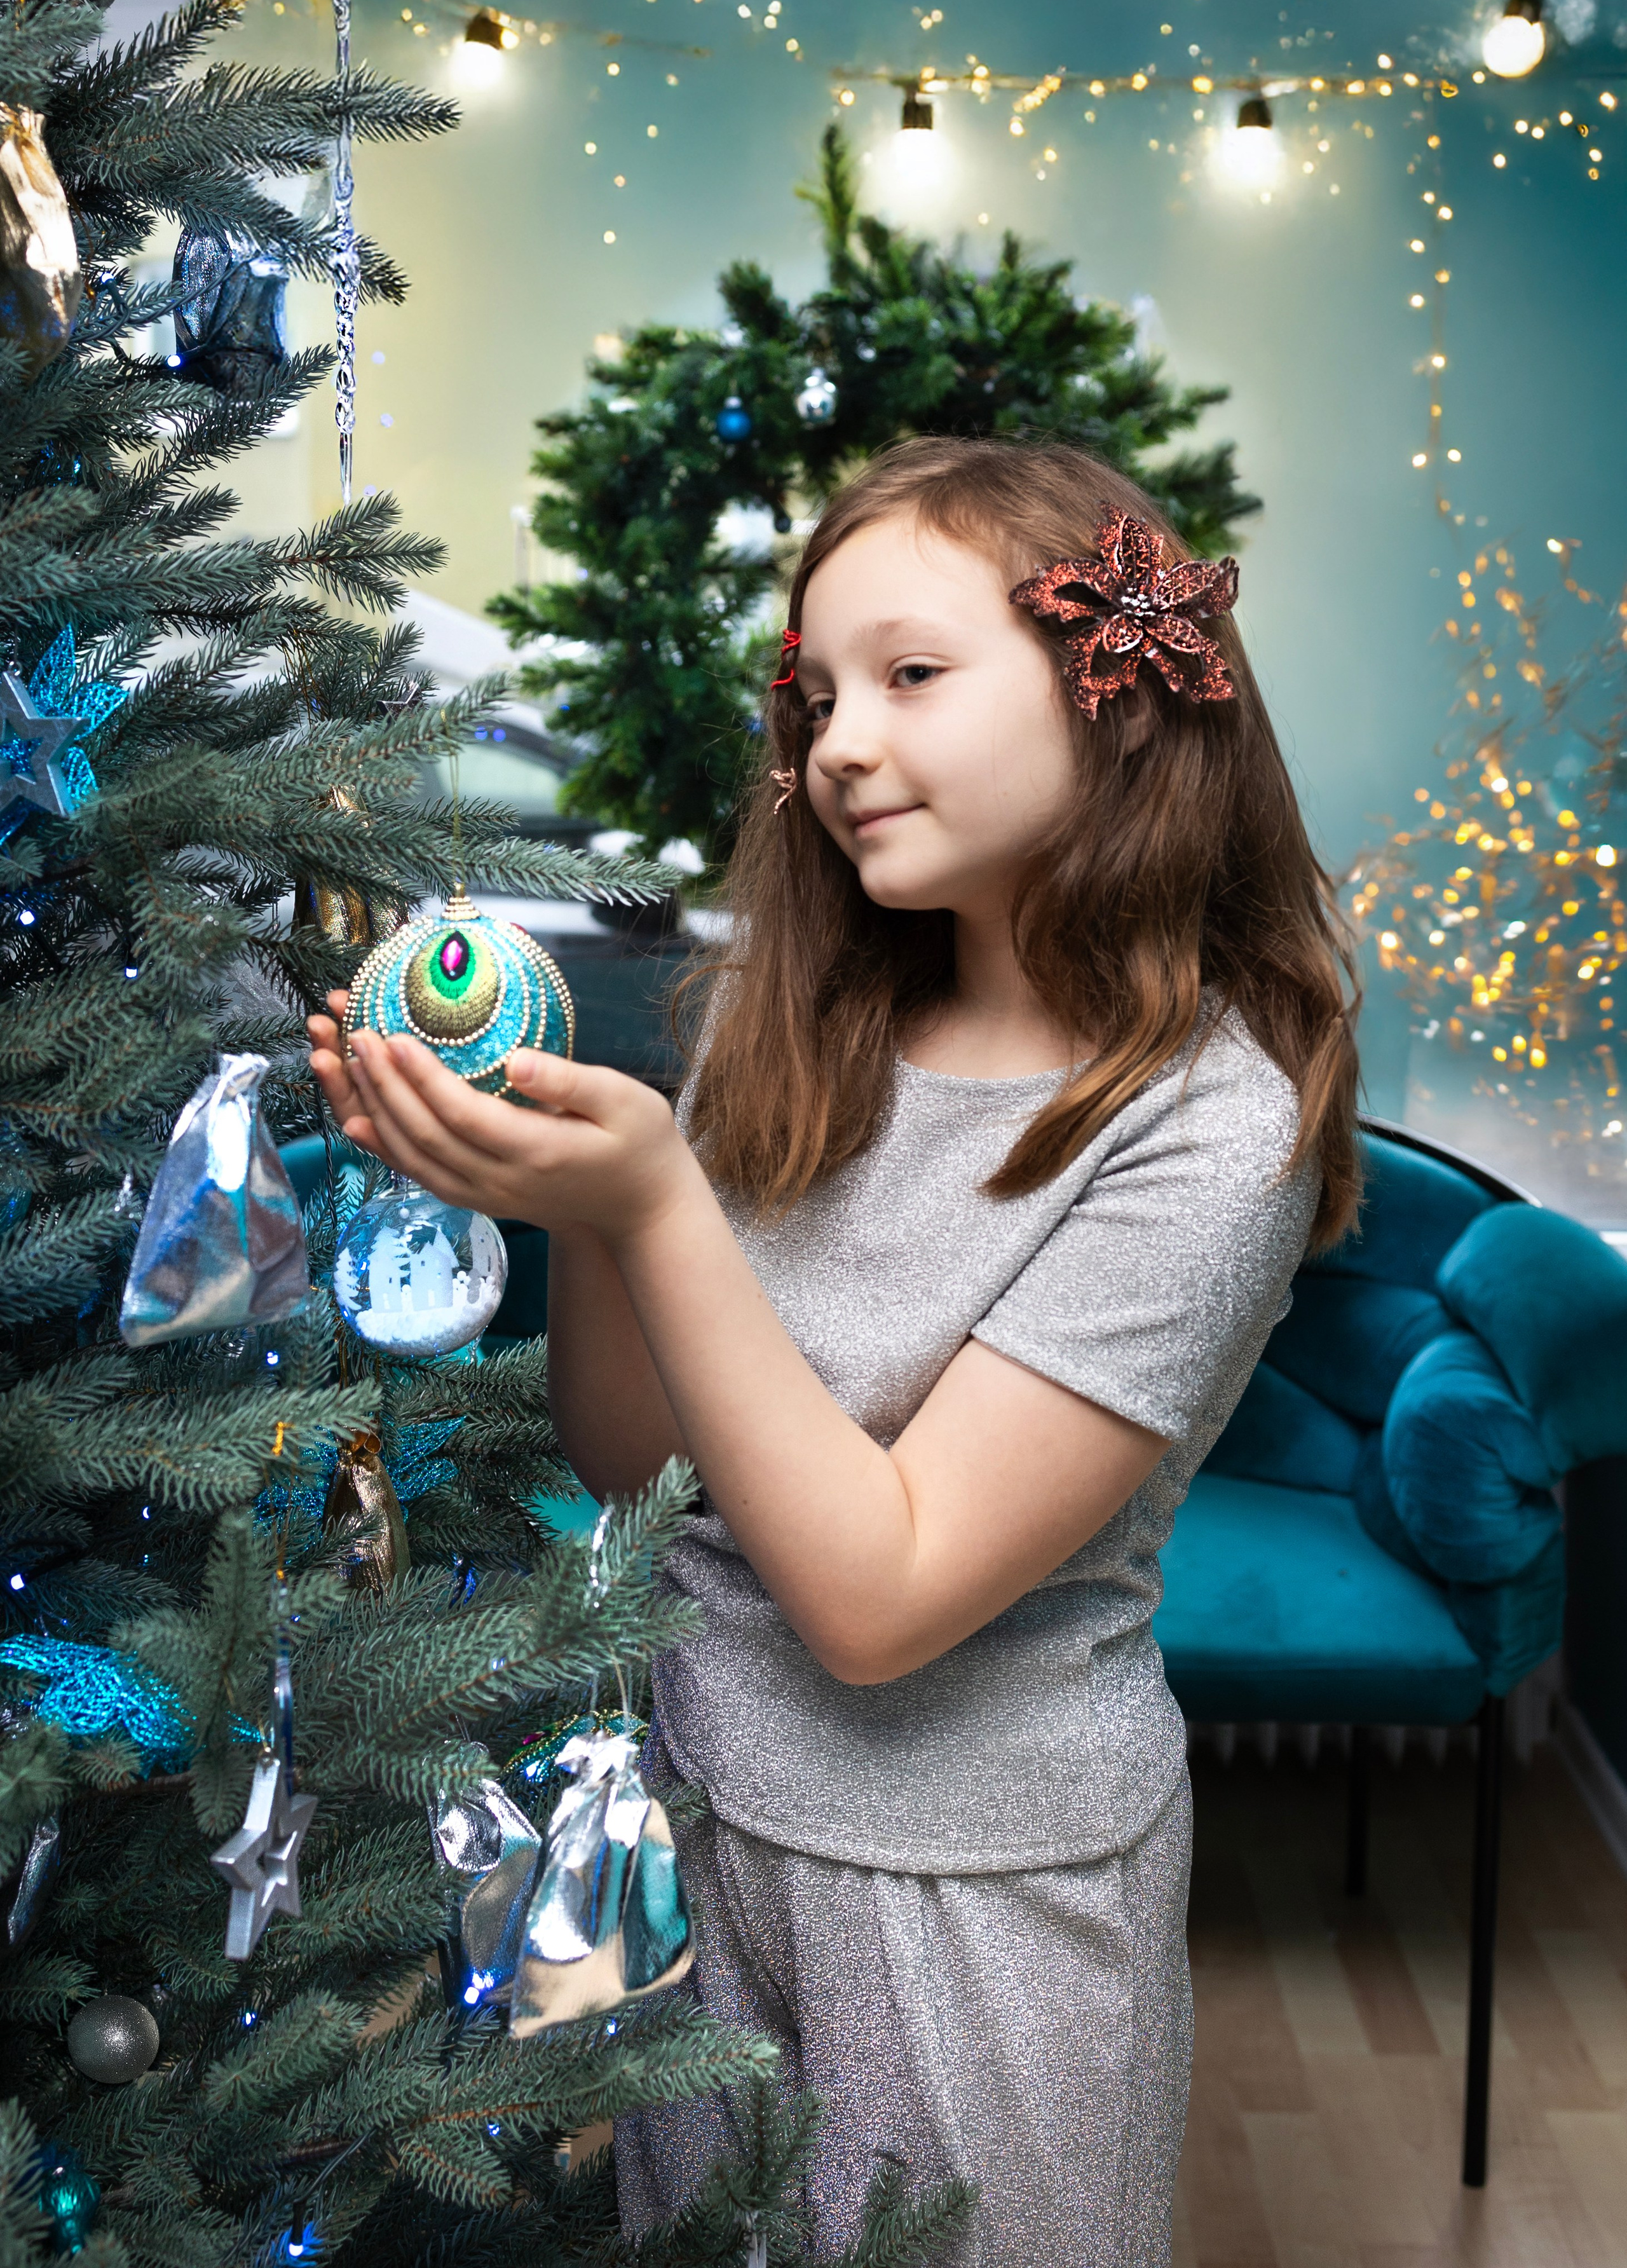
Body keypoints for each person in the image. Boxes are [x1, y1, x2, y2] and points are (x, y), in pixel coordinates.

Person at [308, 437, 1361, 2267]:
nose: (839, 742)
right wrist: (573, 1196)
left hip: (975, 1901)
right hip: (699, 1832)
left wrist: (652, 1206)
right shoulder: (797, 1029)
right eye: (813, 697)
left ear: (1118, 693)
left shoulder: (1210, 1125)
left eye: (913, 676)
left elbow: (880, 1597)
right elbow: (641, 1471)